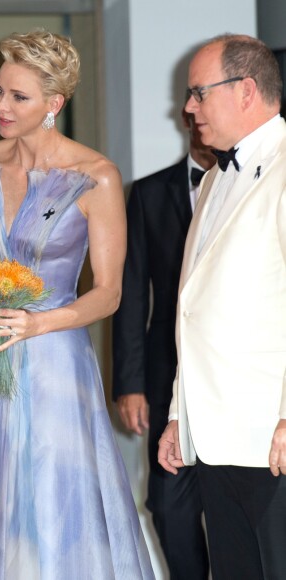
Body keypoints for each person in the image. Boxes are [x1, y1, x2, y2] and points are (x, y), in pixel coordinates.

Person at [0, 29, 154, 579]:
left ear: (54, 104)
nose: (1, 107)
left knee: (53, 506)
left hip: (55, 360)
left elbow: (108, 292)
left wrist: (41, 323)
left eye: (19, 97)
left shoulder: (96, 177)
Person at [158, 34, 286, 579]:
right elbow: (195, 308)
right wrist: (176, 414)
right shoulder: (212, 180)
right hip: (215, 438)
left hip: (272, 436)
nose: (188, 108)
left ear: (246, 91)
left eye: (198, 93)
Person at [112, 110, 214, 579]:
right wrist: (129, 383)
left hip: (231, 376)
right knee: (168, 504)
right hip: (165, 375)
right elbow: (131, 293)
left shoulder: (260, 183)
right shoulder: (149, 193)